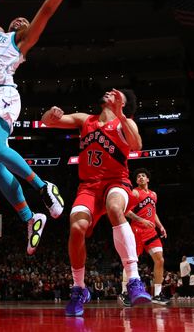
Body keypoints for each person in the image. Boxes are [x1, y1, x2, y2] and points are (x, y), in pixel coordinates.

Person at [0, 0, 82, 254]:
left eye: (25, 22)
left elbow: (45, 11)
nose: (21, 20)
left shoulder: (20, 42)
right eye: (17, 19)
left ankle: (43, 186)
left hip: (2, 93)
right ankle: (31, 218)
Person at [40, 89, 151, 317]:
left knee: (114, 208)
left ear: (123, 103)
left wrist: (120, 113)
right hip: (88, 187)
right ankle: (79, 288)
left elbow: (137, 144)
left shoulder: (125, 123)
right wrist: (51, 114)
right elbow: (47, 122)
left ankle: (134, 280)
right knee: (76, 228)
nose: (109, 92)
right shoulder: (85, 120)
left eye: (115, 93)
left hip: (116, 182)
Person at [125, 168, 171, 305]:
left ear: (148, 179)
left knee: (160, 260)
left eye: (143, 176)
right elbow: (126, 211)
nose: (140, 177)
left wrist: (160, 226)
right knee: (131, 262)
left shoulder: (153, 194)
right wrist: (140, 220)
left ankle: (157, 295)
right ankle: (125, 293)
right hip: (137, 230)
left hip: (151, 231)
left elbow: (153, 212)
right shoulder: (134, 192)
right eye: (138, 176)